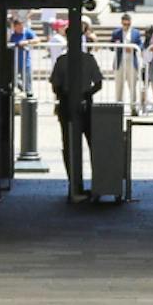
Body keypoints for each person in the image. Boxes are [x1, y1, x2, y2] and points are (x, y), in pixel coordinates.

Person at [49, 31, 104, 194]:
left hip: (67, 103)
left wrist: (64, 95)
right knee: (93, 143)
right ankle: (98, 181)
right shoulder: (88, 59)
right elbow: (99, 83)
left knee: (68, 144)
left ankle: (73, 182)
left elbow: (55, 84)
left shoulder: (62, 61)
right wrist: (87, 94)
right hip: (86, 102)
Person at [110, 13, 143, 108]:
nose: (126, 26)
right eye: (124, 24)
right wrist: (117, 45)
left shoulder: (135, 32)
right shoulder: (116, 33)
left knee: (132, 85)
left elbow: (140, 44)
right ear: (121, 23)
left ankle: (133, 106)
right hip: (120, 61)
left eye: (128, 24)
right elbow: (111, 45)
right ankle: (118, 106)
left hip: (131, 61)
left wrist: (133, 48)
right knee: (118, 85)